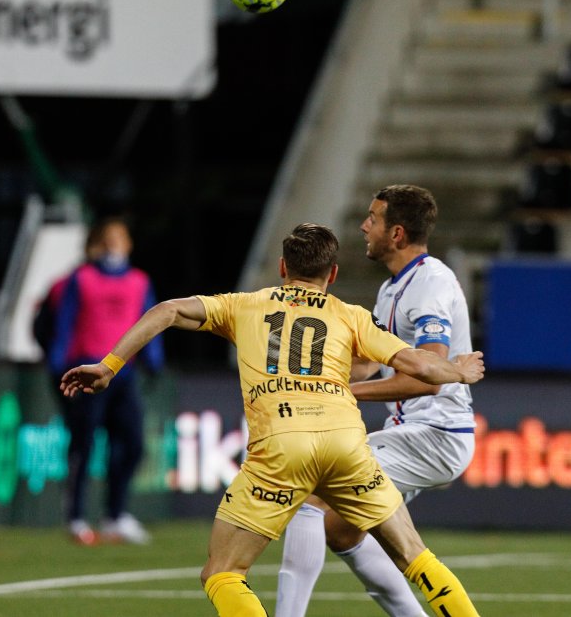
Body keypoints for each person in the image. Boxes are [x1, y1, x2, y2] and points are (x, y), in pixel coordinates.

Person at [61, 223, 485, 617]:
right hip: (345, 443)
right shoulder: (350, 315)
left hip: (282, 445)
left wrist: (109, 366)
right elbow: (422, 366)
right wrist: (460, 373)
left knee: (222, 572)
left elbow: (167, 311)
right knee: (416, 556)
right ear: (333, 274)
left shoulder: (244, 306)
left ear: (283, 267)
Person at [276, 185, 476, 617]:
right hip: (411, 432)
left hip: (436, 433)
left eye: (374, 218)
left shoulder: (430, 284)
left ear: (397, 233)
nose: (364, 225)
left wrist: (343, 393)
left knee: (313, 491)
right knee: (340, 530)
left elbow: (429, 378)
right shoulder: (392, 289)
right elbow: (371, 364)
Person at [41, 217, 163, 545]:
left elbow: (149, 321)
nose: (113, 244)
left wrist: (153, 360)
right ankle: (76, 517)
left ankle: (115, 514)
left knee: (133, 444)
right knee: (83, 445)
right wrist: (58, 367)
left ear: (129, 244)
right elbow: (64, 324)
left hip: (124, 375)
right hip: (89, 372)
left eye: (119, 238)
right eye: (107, 238)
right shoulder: (82, 279)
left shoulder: (139, 281)